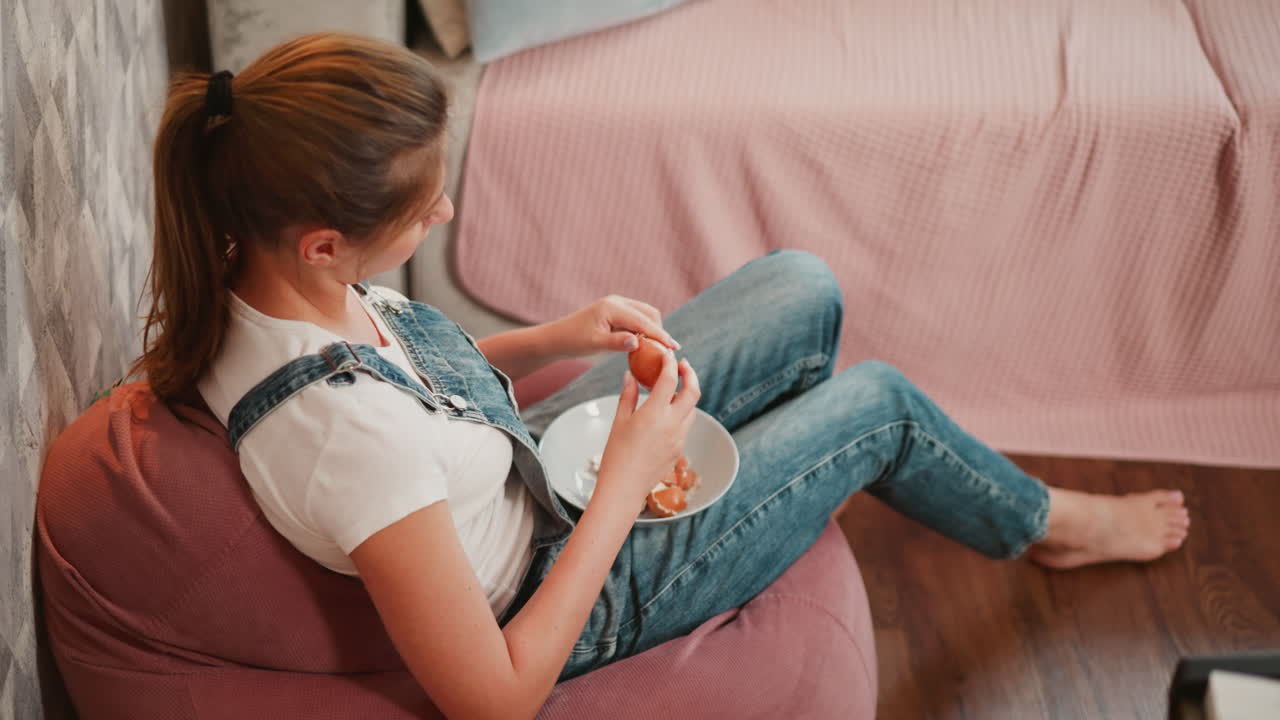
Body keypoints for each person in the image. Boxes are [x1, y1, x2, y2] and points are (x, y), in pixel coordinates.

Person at [134, 32, 1190, 719]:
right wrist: (632, 483)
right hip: (561, 588)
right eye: (423, 210)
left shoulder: (258, 277)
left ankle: (779, 459)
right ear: (323, 241)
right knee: (878, 408)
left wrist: (558, 336)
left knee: (798, 282)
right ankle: (1042, 523)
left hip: (524, 467)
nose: (444, 217)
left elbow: (411, 383)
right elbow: (492, 698)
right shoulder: (339, 443)